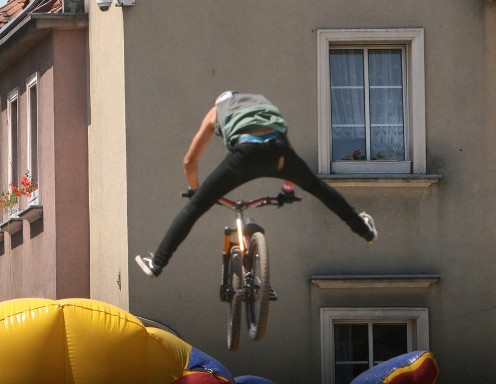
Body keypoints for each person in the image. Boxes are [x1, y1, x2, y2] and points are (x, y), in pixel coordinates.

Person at [136, 91, 377, 279]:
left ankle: (157, 264)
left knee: (195, 209)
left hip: (245, 155)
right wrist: (288, 191)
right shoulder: (262, 103)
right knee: (317, 187)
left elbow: (189, 161)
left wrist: (195, 192)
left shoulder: (216, 111)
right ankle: (364, 230)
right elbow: (287, 147)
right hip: (279, 152)